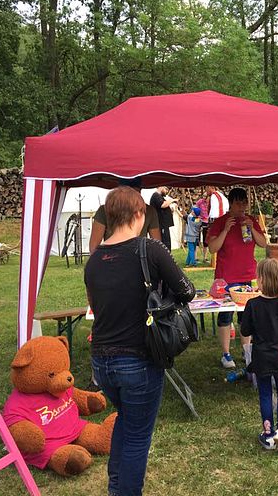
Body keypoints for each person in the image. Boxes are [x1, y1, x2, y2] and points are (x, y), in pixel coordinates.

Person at [84, 186, 195, 496]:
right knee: (137, 436)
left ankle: (116, 488)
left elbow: (94, 305)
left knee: (126, 422)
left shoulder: (93, 262)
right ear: (138, 215)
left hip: (102, 363)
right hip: (138, 360)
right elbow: (187, 290)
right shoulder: (150, 249)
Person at [240, 258, 278, 452]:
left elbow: (245, 330)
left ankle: (268, 432)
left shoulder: (252, 304)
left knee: (264, 392)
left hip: (261, 355)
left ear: (261, 281)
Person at [207, 187, 267, 369]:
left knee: (246, 317)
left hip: (247, 275)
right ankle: (226, 354)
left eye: (244, 203)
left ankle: (246, 350)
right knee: (225, 316)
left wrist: (251, 227)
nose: (242, 207)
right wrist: (225, 230)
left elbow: (263, 243)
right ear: (230, 204)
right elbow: (212, 248)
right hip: (225, 278)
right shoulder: (220, 222)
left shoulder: (251, 221)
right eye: (238, 203)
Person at [89, 179, 161, 254]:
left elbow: (93, 248)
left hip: (124, 258)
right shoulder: (104, 210)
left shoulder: (149, 210)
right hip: (118, 258)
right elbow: (157, 244)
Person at [150, 186, 177, 250]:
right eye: (166, 189)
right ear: (161, 187)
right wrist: (172, 200)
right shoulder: (156, 196)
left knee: (167, 242)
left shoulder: (160, 197)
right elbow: (162, 205)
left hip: (164, 225)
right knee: (164, 243)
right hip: (161, 224)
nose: (167, 191)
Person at [195, 193, 210, 263]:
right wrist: (196, 218)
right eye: (203, 196)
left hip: (206, 221)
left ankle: (205, 258)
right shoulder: (200, 201)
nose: (204, 198)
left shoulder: (211, 202)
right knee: (196, 238)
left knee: (205, 240)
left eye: (205, 196)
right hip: (199, 220)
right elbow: (195, 208)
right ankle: (195, 258)